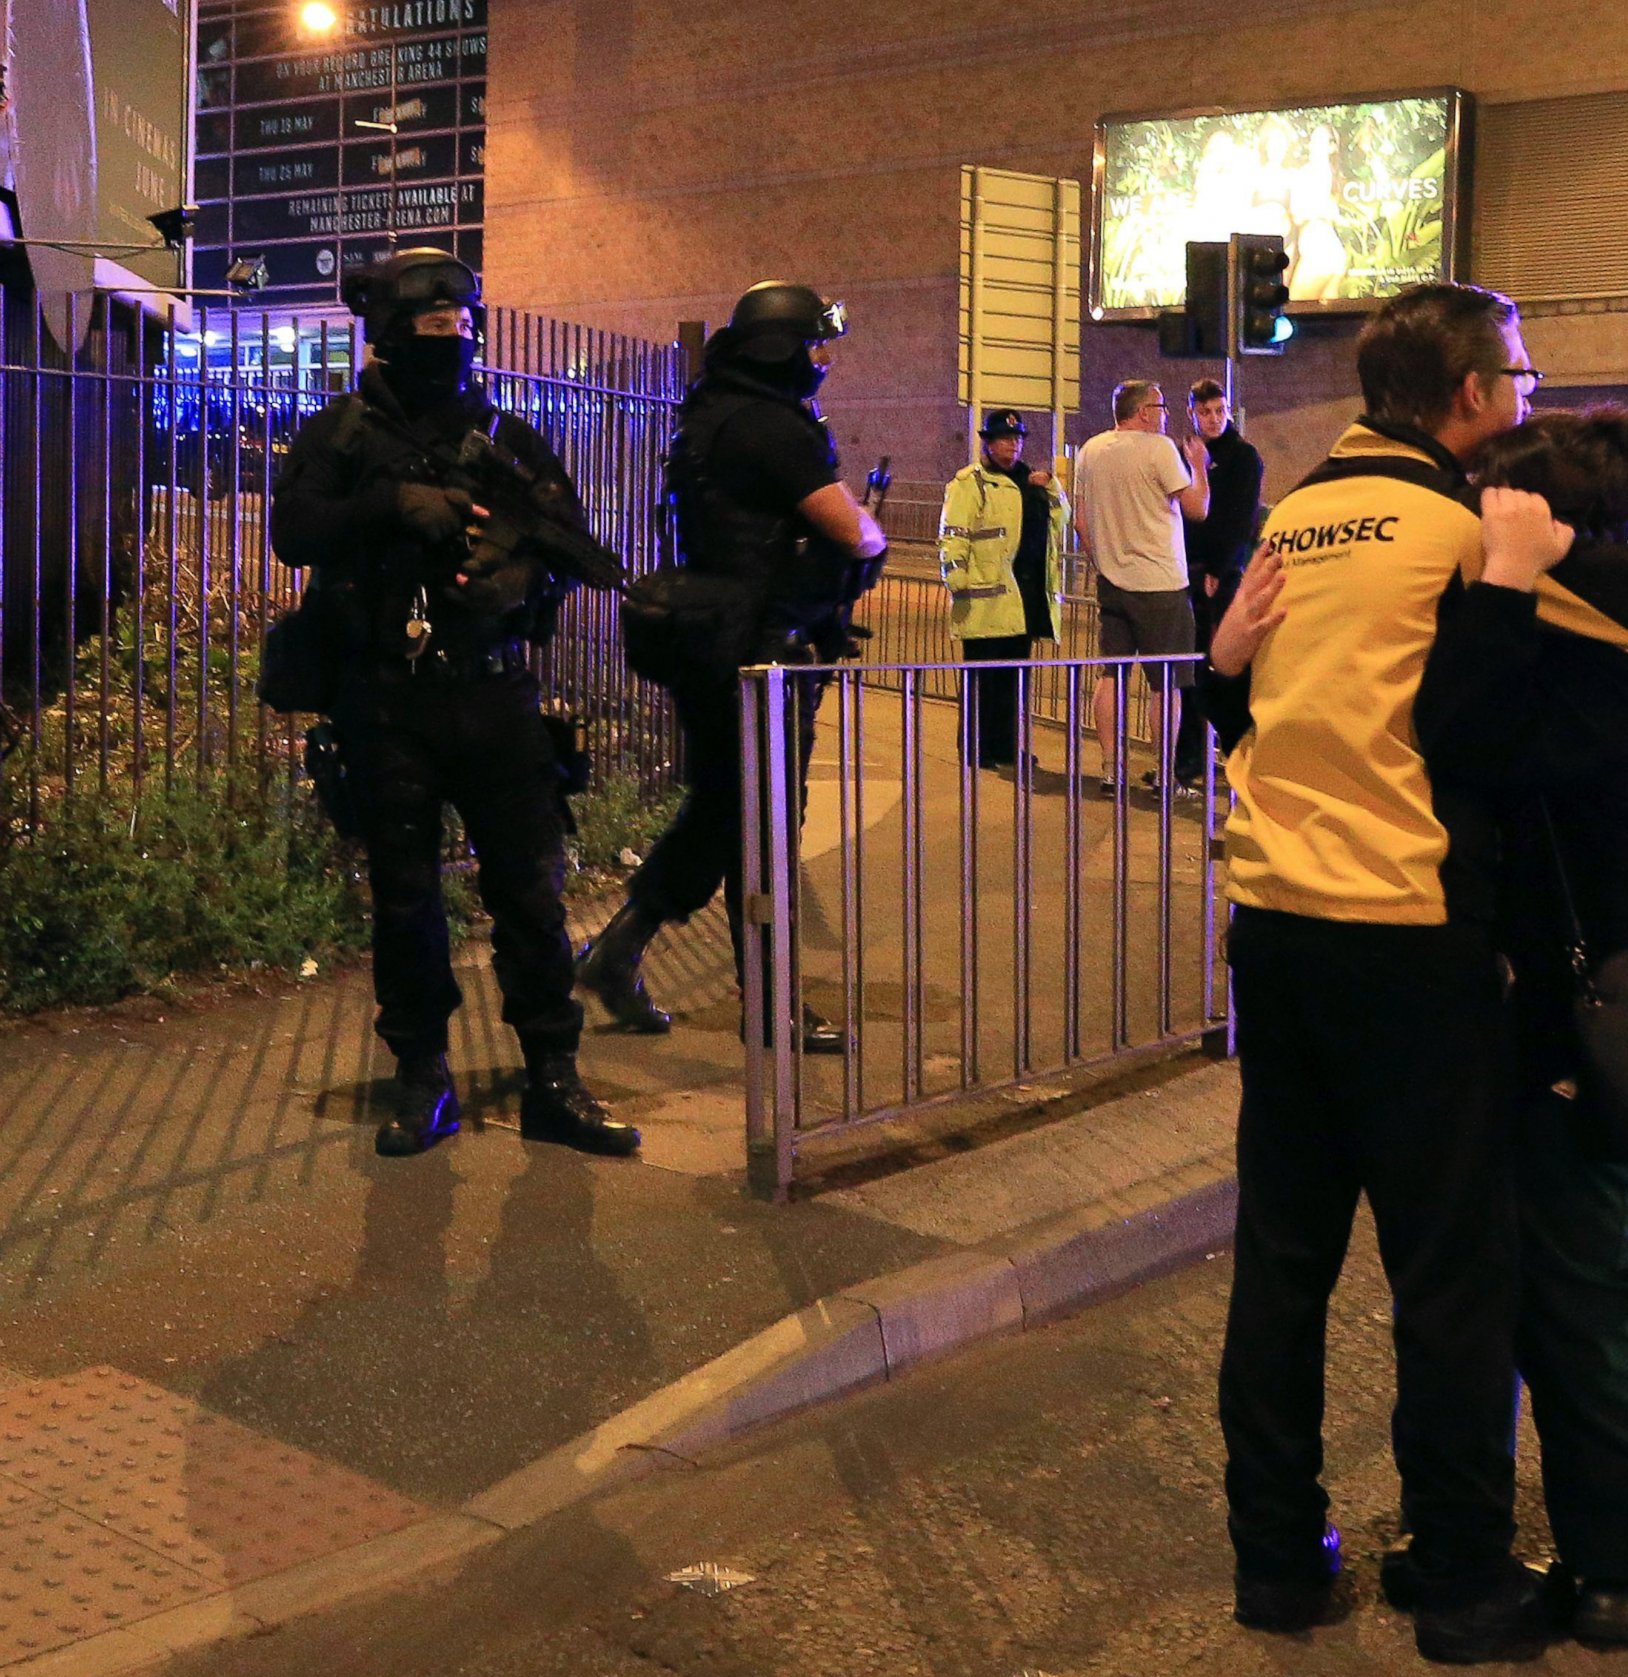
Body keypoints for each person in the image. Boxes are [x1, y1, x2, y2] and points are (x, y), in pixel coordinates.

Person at [1198, 282, 1628, 1664]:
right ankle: (1469, 1574)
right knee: (1450, 1275)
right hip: (1409, 937)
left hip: (1274, 926)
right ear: (1473, 396)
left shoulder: (1294, 514)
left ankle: (1275, 1559)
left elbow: (1268, 695)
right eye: (1522, 377)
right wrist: (1509, 571)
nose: (1532, 397)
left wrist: (1216, 674)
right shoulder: (1467, 530)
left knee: (1284, 1262)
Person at [1416, 407, 1628, 1650]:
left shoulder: (1581, 622)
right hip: (1506, 985)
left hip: (1573, 987)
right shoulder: (1555, 603)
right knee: (1499, 1279)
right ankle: (1513, 1532)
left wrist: (1503, 580)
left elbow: (1474, 736)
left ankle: (1620, 1560)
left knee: (1583, 1282)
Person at [271, 248, 637, 1159]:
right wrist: (396, 503)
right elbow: (295, 532)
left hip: (496, 694)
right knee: (404, 901)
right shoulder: (341, 435)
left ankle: (553, 1074)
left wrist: (516, 577)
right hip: (385, 701)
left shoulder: (508, 436)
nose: (453, 343)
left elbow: (571, 544)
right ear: (394, 334)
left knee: (530, 892)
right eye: (434, 329)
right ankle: (423, 1076)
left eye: (461, 328)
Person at [575, 281, 887, 1049]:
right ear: (783, 349)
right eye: (816, 344)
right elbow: (854, 532)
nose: (824, 360)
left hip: (715, 644)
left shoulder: (712, 415)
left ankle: (618, 950)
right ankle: (773, 1004)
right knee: (770, 830)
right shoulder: (774, 429)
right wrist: (867, 536)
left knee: (721, 813)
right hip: (762, 653)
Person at [1072, 379, 1206, 795]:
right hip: (1161, 585)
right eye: (1161, 406)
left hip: (1113, 582)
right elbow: (1197, 508)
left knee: (1111, 675)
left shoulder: (1090, 451)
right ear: (1144, 412)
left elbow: (1080, 520)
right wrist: (1198, 464)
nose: (1165, 413)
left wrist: (1103, 562)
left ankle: (1111, 767)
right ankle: (1165, 774)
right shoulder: (1159, 449)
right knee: (1165, 682)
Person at [939, 409, 1068, 771]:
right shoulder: (970, 483)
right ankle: (978, 750)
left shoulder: (1032, 481)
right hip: (983, 599)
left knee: (1013, 680)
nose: (1013, 445)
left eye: (1017, 438)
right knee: (982, 680)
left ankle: (1007, 749)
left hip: (1022, 599)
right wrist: (956, 578)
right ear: (988, 443)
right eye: (1004, 439)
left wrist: (1054, 488)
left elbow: (1062, 520)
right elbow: (954, 535)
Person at [1175, 378, 1263, 789]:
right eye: (1204, 412)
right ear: (1192, 412)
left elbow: (1239, 520)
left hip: (1218, 576)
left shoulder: (1243, 457)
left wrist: (1219, 568)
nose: (1213, 419)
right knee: (1188, 670)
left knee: (1220, 667)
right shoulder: (1186, 454)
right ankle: (1187, 756)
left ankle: (1232, 752)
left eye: (1218, 411)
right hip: (1183, 571)